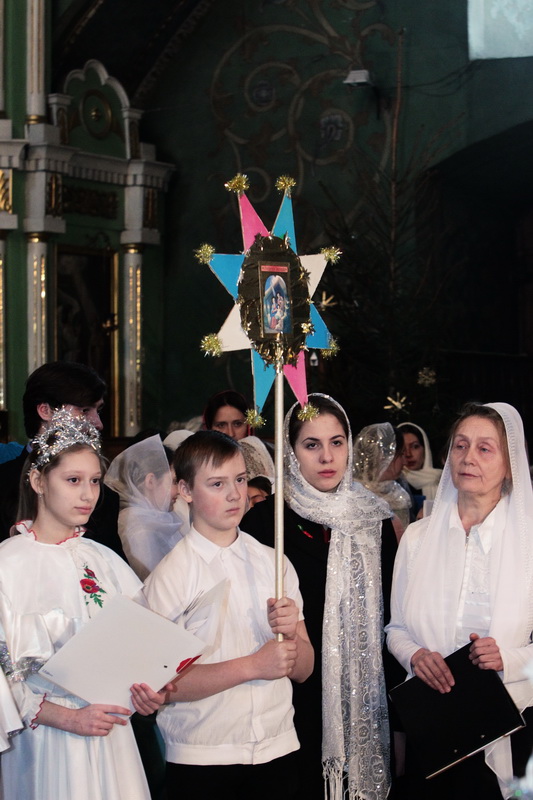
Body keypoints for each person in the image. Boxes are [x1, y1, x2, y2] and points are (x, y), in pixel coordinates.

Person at [0, 408, 169, 800]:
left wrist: (149, 691)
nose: (88, 494)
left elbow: (143, 648)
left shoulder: (105, 561)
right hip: (43, 742)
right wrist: (67, 717)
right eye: (73, 480)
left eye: (94, 480)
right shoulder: (8, 564)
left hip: (110, 733)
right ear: (38, 481)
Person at [242, 394, 398, 800]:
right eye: (311, 445)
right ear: (291, 452)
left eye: (337, 442)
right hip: (291, 693)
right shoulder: (266, 521)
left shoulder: (374, 519)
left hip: (364, 696)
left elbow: (389, 618)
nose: (327, 457)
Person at [144, 430, 314, 800]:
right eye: (217, 484)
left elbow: (304, 669)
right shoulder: (171, 575)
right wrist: (252, 666)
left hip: (277, 746)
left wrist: (291, 636)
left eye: (239, 479)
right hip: (203, 755)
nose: (235, 494)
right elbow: (161, 685)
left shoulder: (274, 562)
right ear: (186, 490)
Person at [386, 402, 533, 799]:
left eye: (485, 448)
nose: (468, 458)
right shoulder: (417, 538)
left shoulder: (529, 546)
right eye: (461, 445)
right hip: (432, 725)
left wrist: (507, 658)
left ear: (510, 465)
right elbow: (395, 629)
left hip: (510, 725)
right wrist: (416, 656)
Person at [0, 361, 123, 556]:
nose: (98, 423)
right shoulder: (3, 483)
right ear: (45, 410)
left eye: (98, 411)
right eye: (84, 411)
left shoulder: (105, 499)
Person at [104, 434, 182, 580]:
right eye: (174, 482)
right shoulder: (138, 527)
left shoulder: (157, 517)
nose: (179, 491)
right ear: (151, 481)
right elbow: (150, 582)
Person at [353, 422, 412, 540]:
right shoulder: (355, 496)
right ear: (383, 456)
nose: (405, 462)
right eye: (401, 454)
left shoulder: (398, 492)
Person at [397, 421, 442, 506]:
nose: (408, 454)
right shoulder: (395, 485)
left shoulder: (441, 480)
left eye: (415, 446)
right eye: (403, 449)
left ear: (426, 449)